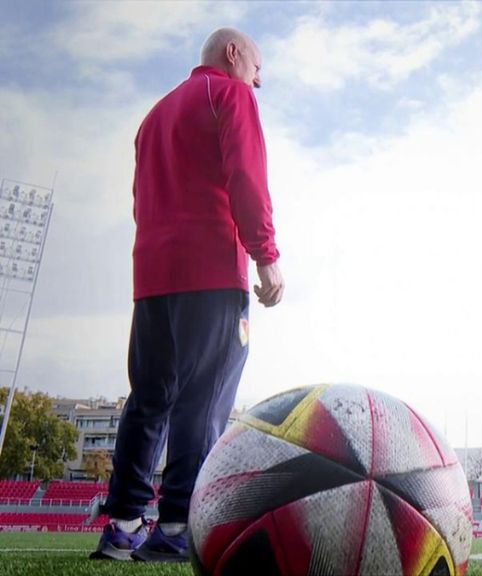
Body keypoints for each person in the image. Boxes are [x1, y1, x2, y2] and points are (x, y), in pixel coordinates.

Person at [89, 28, 284, 563]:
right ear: (233, 54)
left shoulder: (153, 116)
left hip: (152, 276)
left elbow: (141, 198)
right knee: (204, 397)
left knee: (148, 400)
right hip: (211, 271)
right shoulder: (231, 93)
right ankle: (176, 525)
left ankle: (124, 526)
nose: (260, 80)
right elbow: (247, 176)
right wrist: (265, 254)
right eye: (258, 66)